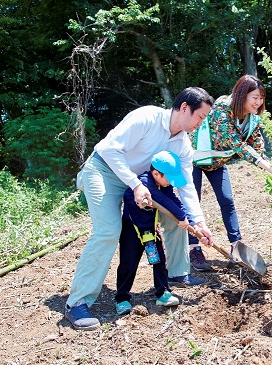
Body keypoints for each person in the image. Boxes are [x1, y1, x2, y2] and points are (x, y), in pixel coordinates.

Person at [65, 87, 215, 331]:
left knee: (181, 219)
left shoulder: (183, 144)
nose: (201, 123)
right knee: (109, 231)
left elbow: (185, 186)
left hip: (141, 181)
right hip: (104, 171)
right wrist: (134, 184)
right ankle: (77, 303)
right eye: (200, 117)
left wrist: (198, 222)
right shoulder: (146, 117)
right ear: (185, 108)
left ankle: (177, 273)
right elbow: (108, 150)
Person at [189, 75, 272, 270]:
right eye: (255, 97)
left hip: (217, 163)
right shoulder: (221, 110)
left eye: (261, 98)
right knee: (193, 203)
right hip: (194, 160)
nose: (258, 102)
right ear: (242, 95)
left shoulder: (252, 117)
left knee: (227, 200)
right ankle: (194, 248)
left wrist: (269, 163)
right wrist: (265, 166)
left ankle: (236, 246)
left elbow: (257, 145)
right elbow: (235, 144)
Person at [115, 151, 206, 315]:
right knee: (128, 264)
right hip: (132, 228)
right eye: (169, 178)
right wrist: (180, 216)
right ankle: (122, 298)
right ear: (156, 173)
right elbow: (161, 200)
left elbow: (173, 200)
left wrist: (191, 222)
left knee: (160, 261)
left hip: (150, 228)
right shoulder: (144, 182)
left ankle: (163, 292)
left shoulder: (164, 185)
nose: (170, 183)